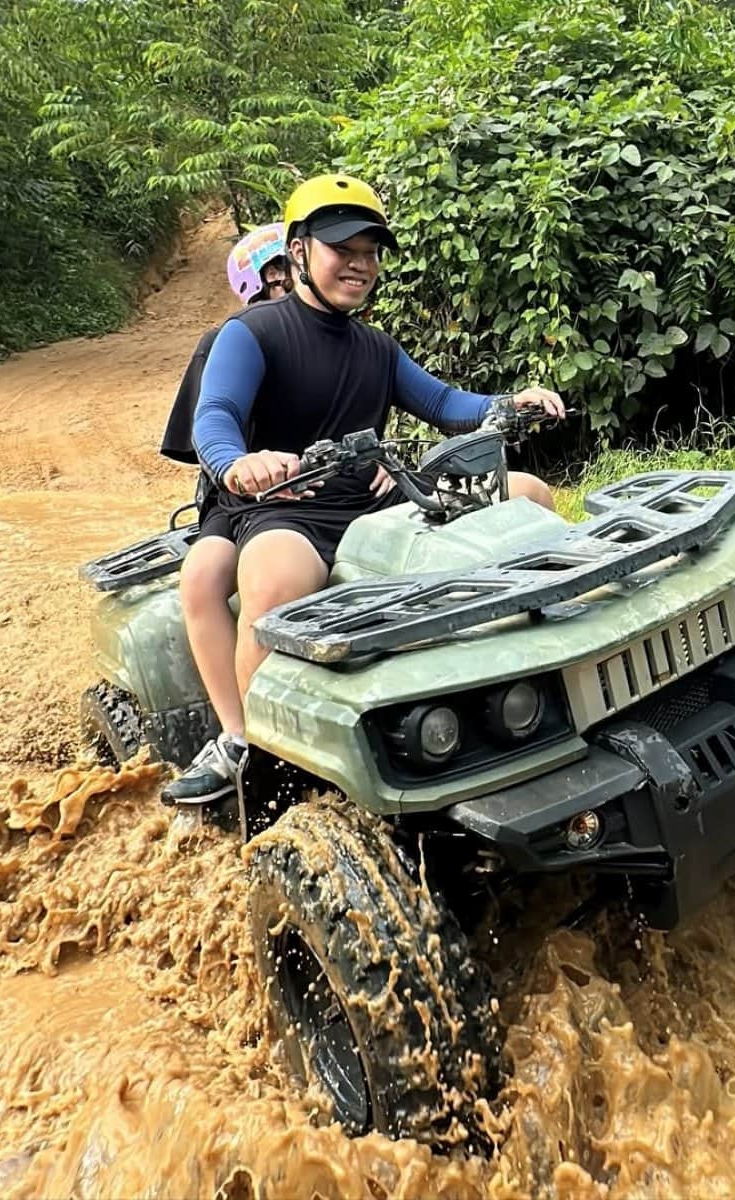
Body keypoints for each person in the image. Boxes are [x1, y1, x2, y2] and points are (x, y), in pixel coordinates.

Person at [160, 173, 561, 807]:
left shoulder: (377, 347)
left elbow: (444, 402)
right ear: (298, 252)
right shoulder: (252, 333)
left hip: (371, 493)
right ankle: (255, 750)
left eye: (370, 252)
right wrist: (239, 462)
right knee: (268, 578)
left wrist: (511, 402)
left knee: (530, 491)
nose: (361, 264)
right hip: (282, 505)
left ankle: (538, 671)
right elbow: (217, 415)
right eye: (343, 248)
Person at [157, 224, 291, 788]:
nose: (284, 283)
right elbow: (207, 433)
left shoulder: (342, 332)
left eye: (290, 269)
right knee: (204, 576)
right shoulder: (228, 342)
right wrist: (242, 464)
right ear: (253, 288)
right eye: (273, 277)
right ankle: (237, 735)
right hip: (240, 496)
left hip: (331, 485)